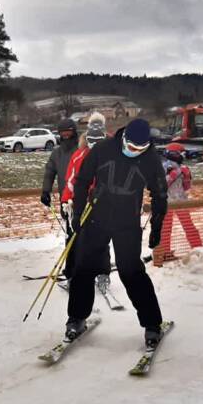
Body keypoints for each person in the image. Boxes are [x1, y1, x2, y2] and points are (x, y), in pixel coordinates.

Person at [66, 118, 168, 349]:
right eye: (131, 147)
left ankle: (152, 324)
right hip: (96, 217)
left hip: (127, 223)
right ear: (124, 139)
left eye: (139, 149)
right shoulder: (103, 149)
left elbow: (160, 195)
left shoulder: (151, 159)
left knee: (131, 271)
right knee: (83, 268)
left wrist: (157, 227)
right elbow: (82, 182)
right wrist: (77, 213)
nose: (134, 151)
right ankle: (76, 318)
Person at [62, 112, 113, 290]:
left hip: (104, 204)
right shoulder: (79, 155)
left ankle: (102, 274)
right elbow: (71, 180)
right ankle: (73, 275)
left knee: (102, 240)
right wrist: (67, 201)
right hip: (82, 204)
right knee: (76, 239)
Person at [41, 118, 80, 277]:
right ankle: (71, 269)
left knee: (89, 236)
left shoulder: (81, 149)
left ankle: (94, 268)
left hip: (85, 199)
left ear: (74, 131)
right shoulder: (57, 153)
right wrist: (45, 191)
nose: (65, 134)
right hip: (66, 201)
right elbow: (49, 172)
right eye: (62, 132)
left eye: (68, 131)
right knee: (70, 235)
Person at [156, 143, 202, 264]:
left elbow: (186, 187)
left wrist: (187, 176)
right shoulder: (163, 167)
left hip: (179, 202)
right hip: (168, 202)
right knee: (167, 228)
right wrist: (173, 175)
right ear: (175, 154)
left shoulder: (182, 167)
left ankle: (199, 250)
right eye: (181, 153)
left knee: (188, 226)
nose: (183, 155)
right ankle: (165, 253)